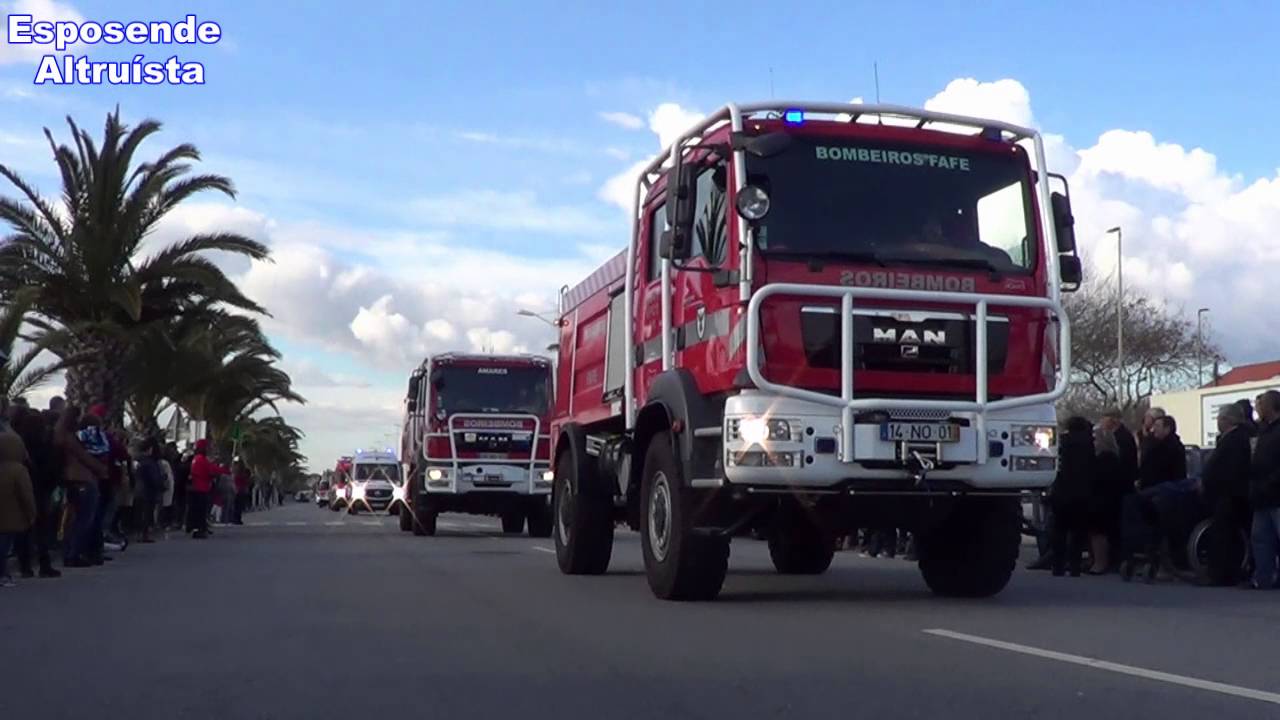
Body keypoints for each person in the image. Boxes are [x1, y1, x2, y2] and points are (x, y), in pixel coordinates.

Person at [1199, 403, 1253, 586]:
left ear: (1228, 420)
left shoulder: (1236, 440)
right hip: (1223, 494)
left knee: (1225, 535)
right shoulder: (1228, 439)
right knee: (1222, 533)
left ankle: (1223, 574)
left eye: (1220, 418)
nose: (1218, 422)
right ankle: (1220, 572)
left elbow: (1231, 469)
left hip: (1229, 494)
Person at [53, 406, 106, 567]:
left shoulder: (58, 436)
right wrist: (101, 469)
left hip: (70, 480)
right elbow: (85, 457)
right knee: (84, 519)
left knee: (74, 518)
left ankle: (70, 551)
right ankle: (74, 553)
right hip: (83, 478)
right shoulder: (72, 439)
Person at [12, 408, 61, 578]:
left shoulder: (20, 445)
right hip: (42, 489)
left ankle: (25, 566)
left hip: (24, 487)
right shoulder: (45, 445)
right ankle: (44, 564)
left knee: (23, 528)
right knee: (42, 528)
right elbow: (53, 469)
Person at [1049, 417, 1095, 577]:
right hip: (1082, 491)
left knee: (1059, 529)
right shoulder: (1089, 443)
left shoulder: (1061, 441)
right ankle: (1075, 565)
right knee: (1078, 530)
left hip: (1062, 489)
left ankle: (1058, 565)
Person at [0, 406, 37, 588]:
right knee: (4, 545)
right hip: (11, 516)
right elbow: (26, 494)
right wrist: (31, 513)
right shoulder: (18, 470)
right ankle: (2, 574)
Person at [1247, 390, 1280, 589]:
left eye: (1261, 404)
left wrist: (1271, 482)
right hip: (1261, 494)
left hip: (1275, 492)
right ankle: (1263, 577)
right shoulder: (1263, 430)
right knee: (1260, 538)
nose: (1258, 408)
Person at [1088, 425, 1128, 574]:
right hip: (1109, 499)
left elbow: (1101, 480)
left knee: (1099, 533)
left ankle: (1100, 562)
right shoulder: (1113, 457)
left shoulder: (1105, 458)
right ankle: (1100, 561)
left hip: (1103, 500)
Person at [187, 439, 227, 539]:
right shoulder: (201, 459)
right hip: (201, 488)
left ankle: (199, 528)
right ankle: (199, 529)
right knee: (201, 511)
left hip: (198, 488)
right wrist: (223, 470)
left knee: (197, 510)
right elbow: (211, 470)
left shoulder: (197, 459)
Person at [1138, 416, 1186, 490]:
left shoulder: (1173, 447)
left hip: (1164, 489)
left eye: (1157, 426)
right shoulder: (1154, 443)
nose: (1154, 429)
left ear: (1167, 429)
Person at [132, 439, 164, 544]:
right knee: (147, 513)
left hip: (139, 489)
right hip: (148, 491)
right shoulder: (150, 462)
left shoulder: (138, 460)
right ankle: (144, 534)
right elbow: (154, 477)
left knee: (140, 512)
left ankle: (139, 533)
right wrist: (160, 484)